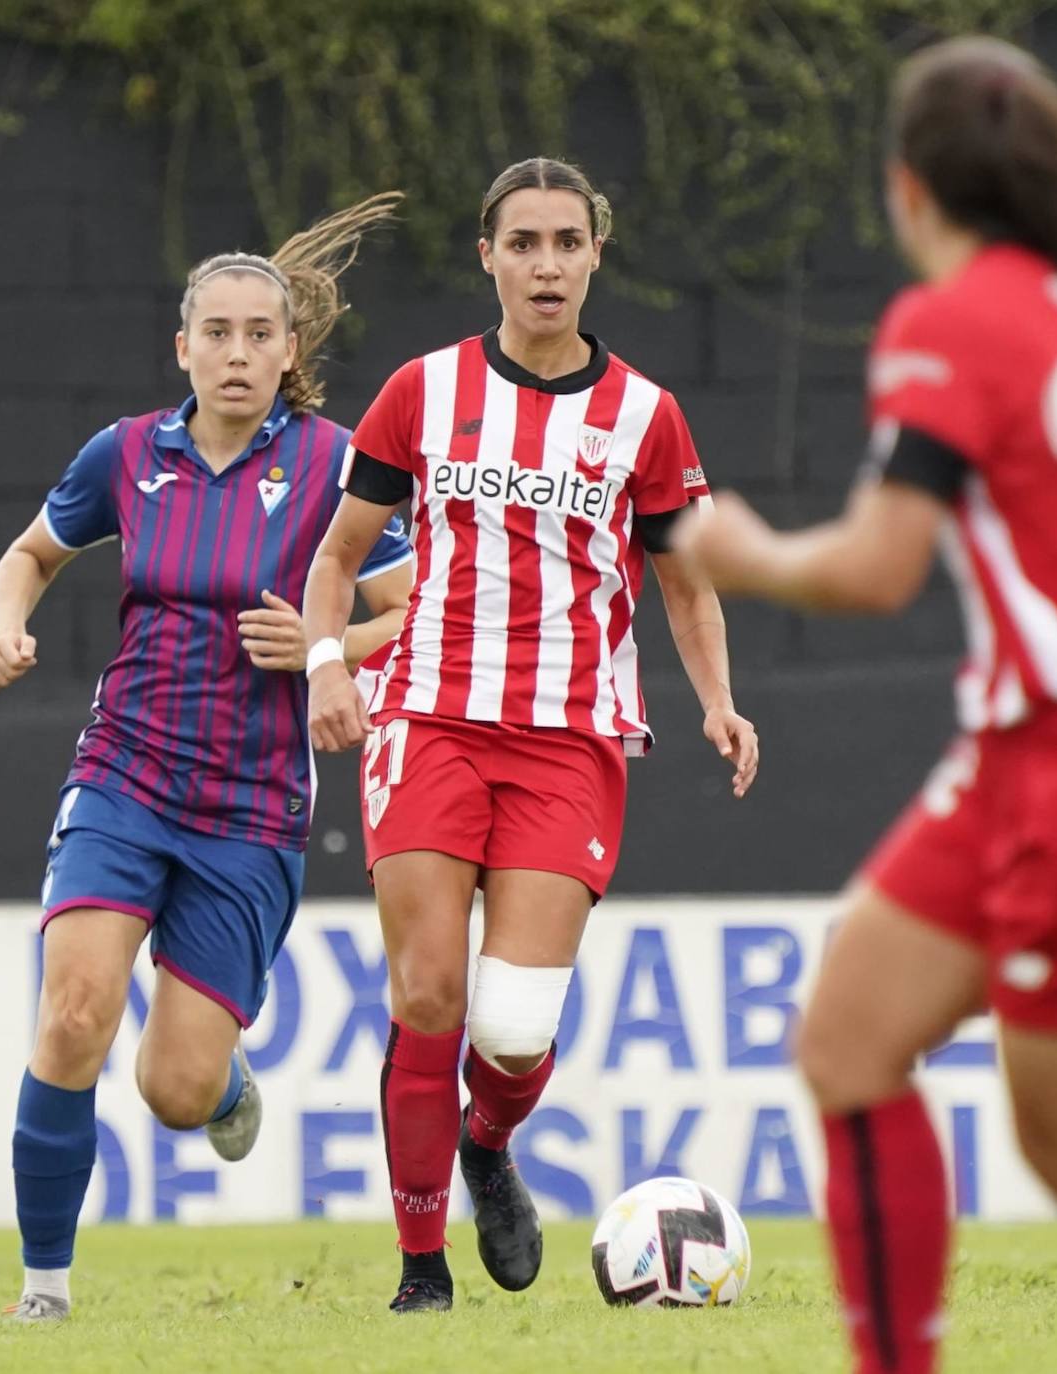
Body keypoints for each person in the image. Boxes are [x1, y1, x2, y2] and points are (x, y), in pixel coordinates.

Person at [682, 35, 1057, 1374]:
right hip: (1050, 757)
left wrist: (744, 551)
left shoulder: (950, 321)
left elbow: (877, 568)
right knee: (846, 1040)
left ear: (908, 188)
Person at [302, 156, 759, 1313]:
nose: (546, 264)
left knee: (510, 1032)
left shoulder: (647, 415)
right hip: (430, 718)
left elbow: (687, 584)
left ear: (595, 254)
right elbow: (336, 562)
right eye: (525, 244)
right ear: (489, 257)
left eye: (567, 242)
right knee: (427, 994)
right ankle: (420, 1275)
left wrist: (715, 698)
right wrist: (322, 668)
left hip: (570, 738)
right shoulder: (423, 390)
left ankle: (487, 1140)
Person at [0, 195, 414, 1323]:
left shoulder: (336, 463)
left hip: (252, 809)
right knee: (73, 1012)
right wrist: (7, 623)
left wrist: (331, 647)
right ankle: (44, 1292)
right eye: (214, 333)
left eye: (257, 333)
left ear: (289, 350)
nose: (236, 352)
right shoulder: (126, 455)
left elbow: (421, 605)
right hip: (123, 777)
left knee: (172, 1092)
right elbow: (30, 554)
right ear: (183, 348)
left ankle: (217, 1082)